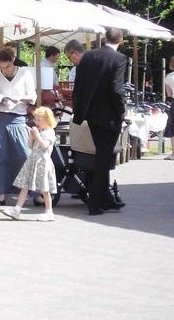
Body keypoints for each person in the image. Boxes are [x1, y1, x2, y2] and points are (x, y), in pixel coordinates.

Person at [72, 27, 127, 216]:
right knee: (104, 159)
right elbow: (116, 89)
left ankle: (106, 199)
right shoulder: (119, 59)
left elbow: (78, 86)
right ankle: (94, 202)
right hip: (109, 116)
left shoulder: (88, 57)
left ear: (105, 38)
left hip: (91, 115)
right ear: (120, 40)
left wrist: (79, 111)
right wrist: (122, 112)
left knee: (102, 156)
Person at [0, 48, 37, 206]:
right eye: (1, 67)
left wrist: (19, 98)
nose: (4, 71)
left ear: (13, 61)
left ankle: (32, 190)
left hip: (17, 118)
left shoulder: (25, 73)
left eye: (6, 67)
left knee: (23, 154)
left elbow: (33, 98)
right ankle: (0, 193)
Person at [3, 106, 58, 222]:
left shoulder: (50, 132)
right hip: (33, 160)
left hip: (42, 162)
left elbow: (44, 146)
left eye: (39, 120)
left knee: (44, 188)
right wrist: (31, 136)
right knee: (25, 186)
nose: (36, 122)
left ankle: (49, 212)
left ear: (47, 120)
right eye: (36, 119)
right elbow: (30, 146)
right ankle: (17, 209)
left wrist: (37, 136)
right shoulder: (40, 131)